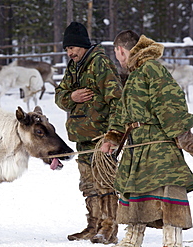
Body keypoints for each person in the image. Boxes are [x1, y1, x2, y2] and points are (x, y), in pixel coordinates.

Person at [100, 30, 193, 247]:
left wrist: (184, 136)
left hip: (158, 143)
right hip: (137, 145)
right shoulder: (135, 74)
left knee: (168, 188)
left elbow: (169, 103)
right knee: (134, 188)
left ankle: (172, 241)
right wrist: (113, 137)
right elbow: (123, 112)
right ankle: (132, 240)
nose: (117, 58)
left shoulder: (152, 69)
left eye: (116, 54)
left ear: (120, 50)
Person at [55, 21, 122, 244]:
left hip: (101, 137)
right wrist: (71, 97)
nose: (69, 52)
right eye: (66, 49)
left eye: (72, 47)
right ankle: (93, 226)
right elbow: (59, 96)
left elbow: (117, 100)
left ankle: (108, 228)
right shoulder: (73, 67)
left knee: (105, 184)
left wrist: (112, 136)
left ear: (83, 45)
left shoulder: (100, 64)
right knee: (88, 185)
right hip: (82, 137)